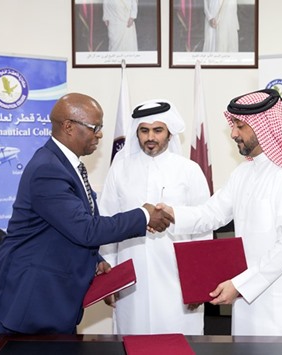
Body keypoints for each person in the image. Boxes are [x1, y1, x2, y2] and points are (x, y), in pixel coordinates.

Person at [0, 93, 174, 335]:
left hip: (51, 298)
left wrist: (95, 261)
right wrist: (144, 215)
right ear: (68, 127)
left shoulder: (65, 165)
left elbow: (69, 226)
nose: (100, 134)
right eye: (95, 127)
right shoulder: (48, 170)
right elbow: (86, 230)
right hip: (31, 302)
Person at [161, 89, 282, 336]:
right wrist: (171, 215)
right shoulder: (243, 174)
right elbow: (213, 213)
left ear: (264, 127)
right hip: (247, 302)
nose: (233, 133)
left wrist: (240, 285)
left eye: (240, 126)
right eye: (234, 125)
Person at [99, 100, 212, 335]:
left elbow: (203, 228)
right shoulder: (119, 170)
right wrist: (107, 281)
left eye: (158, 130)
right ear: (136, 132)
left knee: (178, 341)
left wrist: (199, 283)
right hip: (131, 280)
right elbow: (106, 223)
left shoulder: (189, 170)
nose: (150, 137)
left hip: (178, 279)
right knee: (132, 339)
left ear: (169, 133)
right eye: (144, 130)